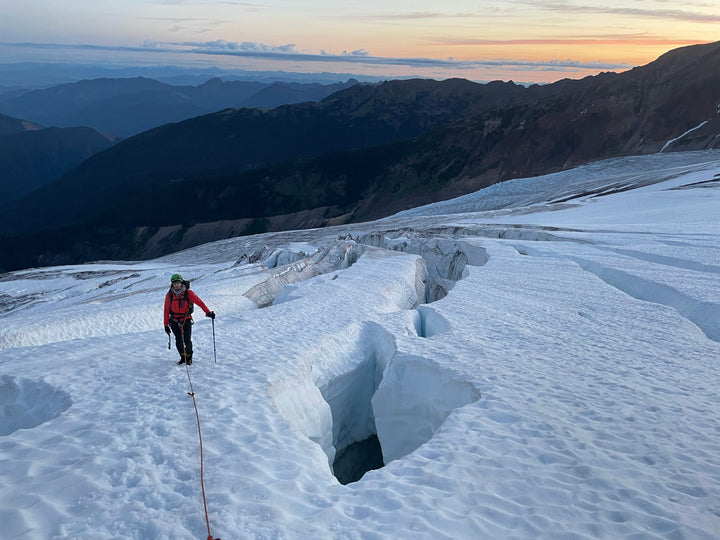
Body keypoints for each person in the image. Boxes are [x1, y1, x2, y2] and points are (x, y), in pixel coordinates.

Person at [163, 273, 215, 365]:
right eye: (174, 283)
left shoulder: (188, 293)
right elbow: (166, 310)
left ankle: (189, 357)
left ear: (181, 282)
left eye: (178, 283)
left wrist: (207, 312)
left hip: (186, 320)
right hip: (174, 321)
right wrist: (166, 325)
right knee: (179, 341)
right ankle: (183, 357)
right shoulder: (169, 295)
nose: (176, 285)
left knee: (187, 340)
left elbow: (200, 302)